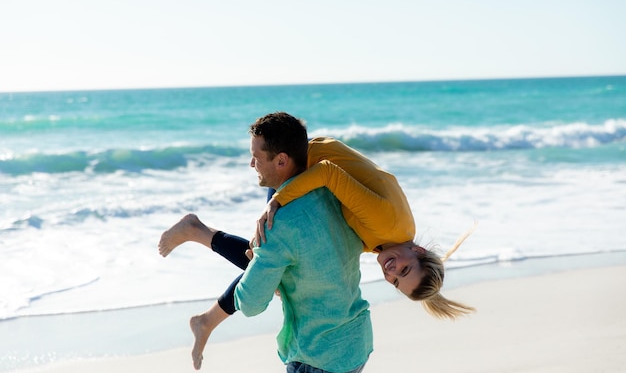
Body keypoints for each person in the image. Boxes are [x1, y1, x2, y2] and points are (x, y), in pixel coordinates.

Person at [159, 121, 475, 369]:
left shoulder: (385, 243)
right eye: (404, 269)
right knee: (273, 255)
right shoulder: (387, 224)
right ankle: (198, 246)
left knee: (279, 263)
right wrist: (278, 200)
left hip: (316, 173)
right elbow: (328, 173)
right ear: (417, 251)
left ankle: (204, 301)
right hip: (306, 164)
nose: (391, 271)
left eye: (394, 280)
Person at [160, 112, 373, 372]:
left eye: (256, 157)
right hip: (356, 342)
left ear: (282, 159)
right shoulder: (335, 189)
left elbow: (250, 304)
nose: (251, 164)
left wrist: (267, 278)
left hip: (319, 357)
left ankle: (197, 234)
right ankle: (197, 237)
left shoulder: (279, 226)